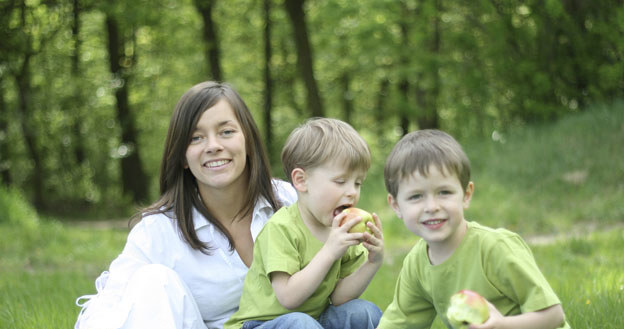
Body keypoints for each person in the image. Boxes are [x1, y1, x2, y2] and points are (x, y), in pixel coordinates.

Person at [74, 81, 297, 329]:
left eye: (226, 132)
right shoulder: (160, 229)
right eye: (196, 138)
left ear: (248, 141)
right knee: (153, 279)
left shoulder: (288, 200)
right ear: (183, 157)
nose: (213, 146)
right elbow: (107, 304)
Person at [378, 129, 570, 329]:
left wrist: (502, 326)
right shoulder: (417, 263)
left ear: (466, 195)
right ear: (396, 206)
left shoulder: (495, 248)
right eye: (416, 196)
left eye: (444, 192)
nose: (432, 207)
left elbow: (554, 315)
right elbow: (398, 323)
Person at [225, 118, 384, 329]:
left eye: (357, 183)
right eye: (340, 181)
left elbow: (339, 299)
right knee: (300, 323)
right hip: (262, 324)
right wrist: (330, 251)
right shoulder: (281, 228)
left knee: (363, 312)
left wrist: (372, 262)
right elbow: (289, 298)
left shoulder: (342, 232)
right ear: (301, 181)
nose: (352, 192)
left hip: (313, 322)